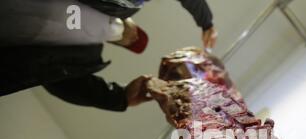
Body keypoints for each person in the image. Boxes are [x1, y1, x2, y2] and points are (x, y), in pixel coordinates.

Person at [0, 0, 218, 112]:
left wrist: (118, 97)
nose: (131, 36)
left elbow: (60, 80)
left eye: (131, 41)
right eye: (133, 34)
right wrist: (206, 22)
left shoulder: (80, 51)